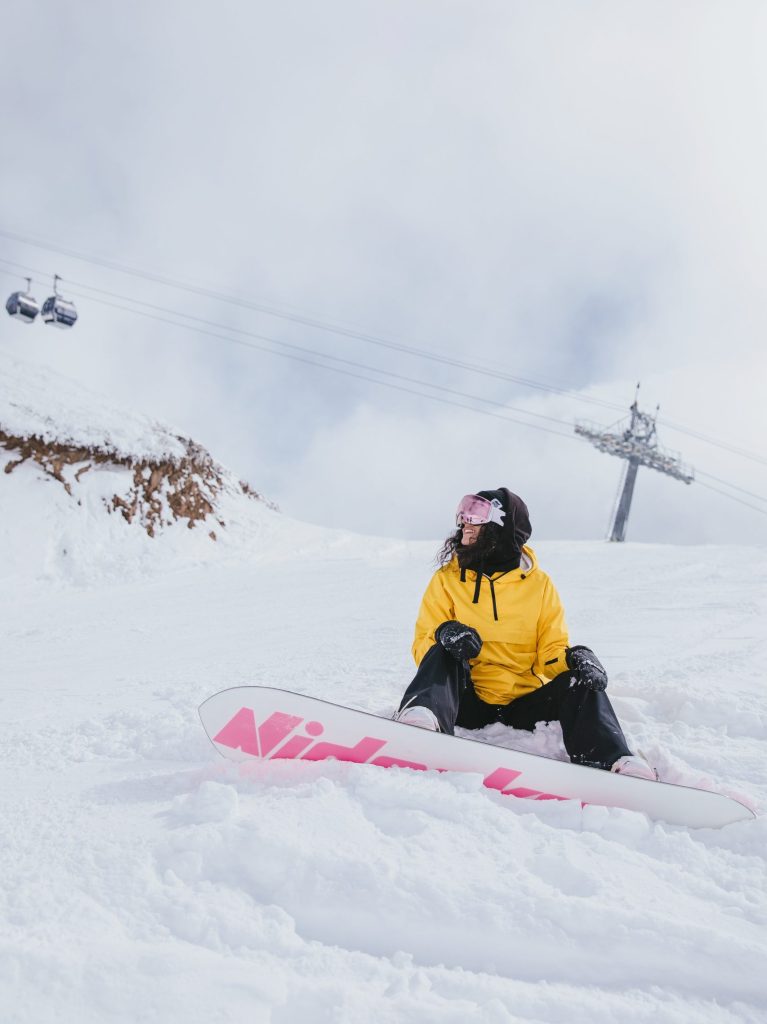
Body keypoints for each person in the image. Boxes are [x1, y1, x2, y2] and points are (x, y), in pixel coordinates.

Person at [395, 488, 657, 781]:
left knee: (580, 680)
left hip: (523, 708)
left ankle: (613, 760)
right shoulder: (446, 580)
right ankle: (422, 720)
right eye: (463, 512)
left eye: (476, 515)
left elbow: (550, 652)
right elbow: (423, 645)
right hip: (465, 701)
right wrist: (445, 634)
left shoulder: (540, 586)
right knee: (443, 648)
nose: (464, 522)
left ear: (503, 527)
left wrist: (574, 659)